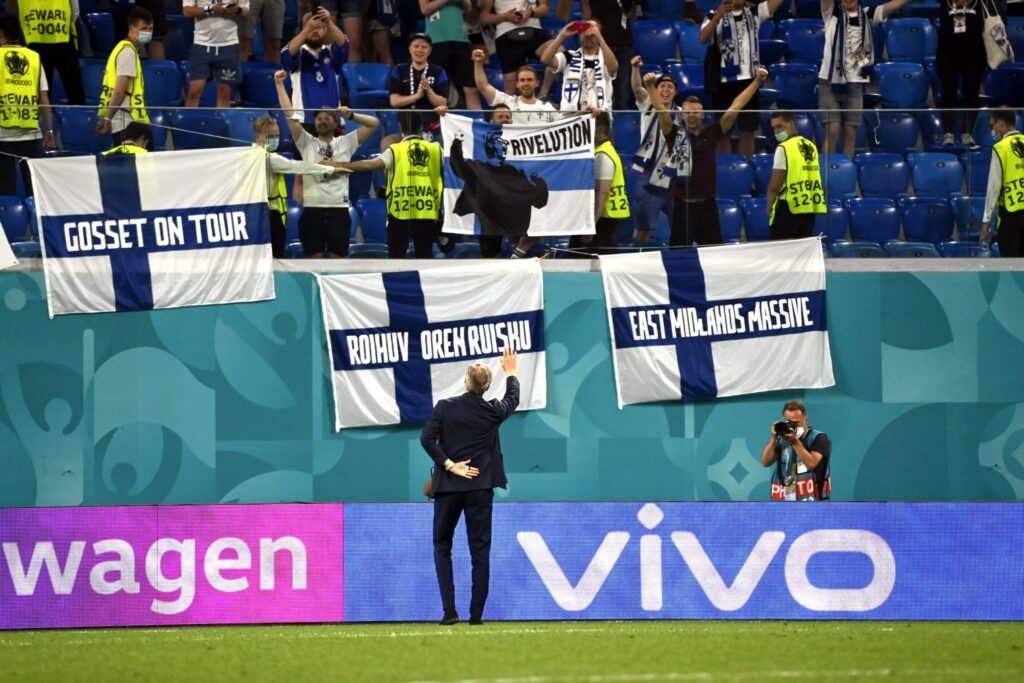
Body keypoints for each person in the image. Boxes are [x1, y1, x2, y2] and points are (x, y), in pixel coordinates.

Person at [420, 347, 520, 626]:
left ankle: (449, 611)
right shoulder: (493, 412)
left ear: (466, 382)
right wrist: (511, 371)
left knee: (442, 545)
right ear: (487, 386)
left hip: (448, 488)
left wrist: (450, 465)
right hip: (480, 489)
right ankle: (476, 615)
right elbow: (513, 398)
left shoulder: (444, 407)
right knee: (480, 551)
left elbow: (426, 440)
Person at [646, 67, 768, 246]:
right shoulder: (673, 134)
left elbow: (736, 105)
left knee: (712, 254)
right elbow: (661, 111)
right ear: (681, 115)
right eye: (687, 112)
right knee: (679, 255)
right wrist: (650, 86)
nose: (691, 116)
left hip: (707, 207)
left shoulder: (712, 133)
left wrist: (757, 82)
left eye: (695, 112)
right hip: (681, 207)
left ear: (703, 114)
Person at [275, 69, 380, 257]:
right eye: (318, 118)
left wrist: (351, 116)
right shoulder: (306, 142)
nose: (322, 121)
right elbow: (289, 115)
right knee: (313, 262)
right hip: (312, 211)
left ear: (335, 122)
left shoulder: (346, 142)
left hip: (339, 211)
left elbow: (374, 123)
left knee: (337, 262)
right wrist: (279, 85)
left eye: (327, 118)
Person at [334, 109, 449, 258]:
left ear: (400, 126)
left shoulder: (394, 150)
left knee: (396, 260)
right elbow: (455, 168)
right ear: (421, 125)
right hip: (427, 213)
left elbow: (369, 165)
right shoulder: (436, 149)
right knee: (424, 259)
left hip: (399, 213)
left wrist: (338, 165)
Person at [818, 0, 911, 156]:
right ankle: (826, 168)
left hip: (855, 83)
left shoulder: (868, 14)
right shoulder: (831, 12)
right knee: (832, 129)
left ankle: (846, 168)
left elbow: (893, 6)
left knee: (851, 132)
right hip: (829, 80)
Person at [252, 114, 346, 258]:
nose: (275, 140)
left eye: (277, 136)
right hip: (268, 217)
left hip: (262, 215)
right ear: (258, 135)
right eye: (271, 136)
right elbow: (298, 166)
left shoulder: (248, 155)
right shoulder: (269, 158)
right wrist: (330, 169)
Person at [700, 0, 785, 156]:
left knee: (747, 132)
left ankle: (746, 167)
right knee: (723, 134)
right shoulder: (713, 14)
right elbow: (703, 38)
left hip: (749, 82)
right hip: (723, 83)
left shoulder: (755, 13)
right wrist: (718, 17)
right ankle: (725, 168)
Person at [0, 16, 55, 198]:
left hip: (2, 133)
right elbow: (43, 96)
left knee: (5, 190)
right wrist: (49, 131)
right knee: (34, 189)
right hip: (30, 131)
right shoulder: (34, 57)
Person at [631, 59, 678, 245]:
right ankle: (637, 257)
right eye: (662, 86)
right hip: (649, 174)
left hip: (674, 176)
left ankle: (679, 259)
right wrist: (635, 68)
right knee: (643, 229)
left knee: (680, 228)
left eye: (670, 87)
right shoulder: (648, 105)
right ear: (655, 90)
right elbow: (637, 89)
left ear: (675, 92)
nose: (666, 89)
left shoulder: (682, 113)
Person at [568, 111, 628, 255]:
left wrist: (591, 226)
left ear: (599, 129)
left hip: (602, 218)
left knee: (582, 258)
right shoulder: (603, 150)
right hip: (604, 217)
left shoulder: (603, 155)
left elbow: (602, 192)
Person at [766, 111, 827, 240]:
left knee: (783, 251)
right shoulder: (811, 146)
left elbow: (774, 185)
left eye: (779, 126)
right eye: (774, 128)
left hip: (787, 207)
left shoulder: (783, 148)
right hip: (808, 207)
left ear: (791, 124)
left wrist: (769, 208)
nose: (776, 131)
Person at [96, 7, 153, 144]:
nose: (148, 32)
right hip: (127, 124)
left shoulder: (124, 49)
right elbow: (119, 91)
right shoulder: (128, 52)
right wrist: (107, 119)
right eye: (143, 28)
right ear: (132, 28)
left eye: (150, 29)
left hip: (131, 123)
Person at [10, 0, 84, 105]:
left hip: (34, 36)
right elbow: (75, 11)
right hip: (62, 35)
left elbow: (12, 8)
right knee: (73, 88)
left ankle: (41, 115)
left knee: (40, 90)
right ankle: (78, 114)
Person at [479, 0, 558, 98]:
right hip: (506, 34)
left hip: (534, 29)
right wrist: (505, 17)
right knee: (510, 91)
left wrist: (530, 12)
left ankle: (543, 95)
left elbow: (545, 8)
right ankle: (511, 106)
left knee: (559, 55)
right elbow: (484, 17)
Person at [280, 7, 347, 121]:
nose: (314, 31)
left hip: (333, 121)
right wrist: (307, 30)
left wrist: (329, 22)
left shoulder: (331, 52)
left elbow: (343, 44)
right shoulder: (298, 52)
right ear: (303, 29)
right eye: (311, 27)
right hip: (303, 120)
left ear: (325, 30)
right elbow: (288, 55)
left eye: (319, 27)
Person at [182, 0, 250, 109]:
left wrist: (237, 10)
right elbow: (187, 11)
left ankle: (221, 120)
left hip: (229, 44)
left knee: (225, 94)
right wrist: (211, 9)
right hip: (201, 44)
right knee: (194, 91)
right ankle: (188, 120)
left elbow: (246, 12)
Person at [936, 0, 987, 146]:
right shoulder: (945, 2)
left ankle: (968, 132)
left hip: (973, 51)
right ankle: (948, 133)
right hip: (948, 51)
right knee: (948, 91)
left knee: (972, 90)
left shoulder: (979, 2)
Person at [760, 399, 831, 502]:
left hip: (811, 502)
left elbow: (811, 463)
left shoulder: (819, 438)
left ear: (806, 419)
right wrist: (773, 438)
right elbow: (765, 462)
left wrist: (795, 441)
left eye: (796, 423)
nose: (792, 426)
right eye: (789, 422)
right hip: (784, 501)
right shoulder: (782, 439)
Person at [540, 19, 618, 113]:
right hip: (571, 116)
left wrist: (600, 38)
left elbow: (613, 68)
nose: (587, 35)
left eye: (593, 32)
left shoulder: (606, 57)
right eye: (584, 31)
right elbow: (545, 60)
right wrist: (561, 36)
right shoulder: (569, 56)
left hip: (600, 116)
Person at [387, 33, 450, 142]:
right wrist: (417, 96)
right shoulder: (400, 70)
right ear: (410, 49)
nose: (419, 50)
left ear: (429, 51)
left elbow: (443, 103)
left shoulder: (438, 71)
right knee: (387, 141)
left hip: (431, 128)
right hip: (406, 126)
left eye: (424, 47)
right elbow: (394, 101)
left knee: (443, 143)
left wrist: (429, 91)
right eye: (416, 46)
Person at [421, 0, 482, 110]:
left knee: (471, 88)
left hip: (461, 39)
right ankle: (434, 120)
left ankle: (477, 120)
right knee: (434, 89)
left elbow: (468, 7)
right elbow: (425, 9)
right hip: (436, 40)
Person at [472, 48, 557, 123]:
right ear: (517, 84)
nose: (526, 83)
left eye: (529, 80)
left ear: (537, 83)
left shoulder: (547, 108)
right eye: (522, 80)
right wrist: (478, 63)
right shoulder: (507, 102)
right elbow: (483, 87)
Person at [982, 109, 1024, 257]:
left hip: (1010, 216)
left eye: (992, 125)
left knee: (1011, 265)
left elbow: (994, 187)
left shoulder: (1000, 148)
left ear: (1000, 124)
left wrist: (986, 221)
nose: (992, 129)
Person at [581, 0, 635, 112]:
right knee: (601, 88)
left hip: (623, 43)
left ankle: (623, 121)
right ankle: (603, 118)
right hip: (600, 45)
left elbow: (630, 11)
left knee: (623, 92)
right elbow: (587, 13)